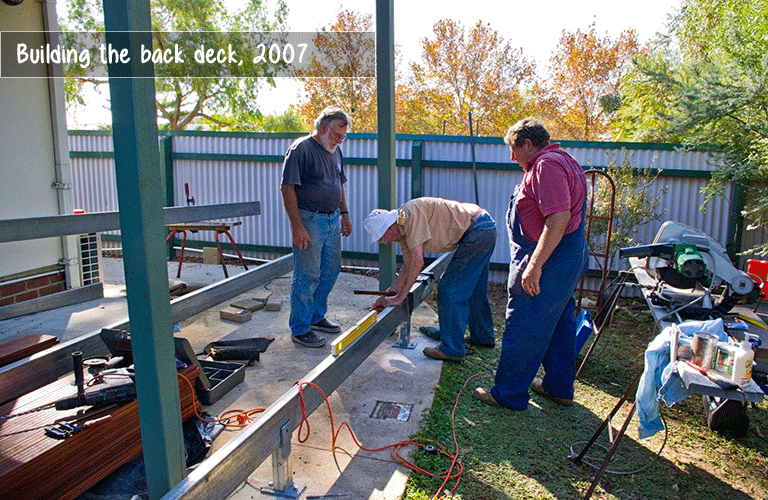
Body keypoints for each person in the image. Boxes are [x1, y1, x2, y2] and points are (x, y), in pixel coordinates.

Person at [473, 118, 589, 410]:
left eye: (515, 150)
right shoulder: (565, 159)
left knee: (524, 321)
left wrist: (535, 265)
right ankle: (559, 386)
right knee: (561, 321)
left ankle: (508, 393)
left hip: (550, 257)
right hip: (568, 255)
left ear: (528, 143)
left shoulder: (546, 166)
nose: (513, 158)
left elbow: (558, 218)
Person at [363, 197, 496, 362]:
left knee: (449, 290)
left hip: (478, 230)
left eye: (382, 238)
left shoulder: (409, 215)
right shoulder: (403, 231)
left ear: (389, 227)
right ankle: (482, 336)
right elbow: (408, 267)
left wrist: (399, 298)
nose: (384, 243)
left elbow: (418, 263)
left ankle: (452, 349)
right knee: (474, 288)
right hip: (483, 228)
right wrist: (388, 295)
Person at [280, 106, 353, 348]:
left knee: (330, 270)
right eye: (336, 134)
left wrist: (344, 213)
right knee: (307, 274)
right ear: (322, 128)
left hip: (332, 220)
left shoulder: (335, 151)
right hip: (309, 220)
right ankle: (300, 328)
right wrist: (297, 226)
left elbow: (339, 184)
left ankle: (316, 316)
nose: (340, 139)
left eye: (343, 136)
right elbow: (287, 187)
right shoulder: (301, 149)